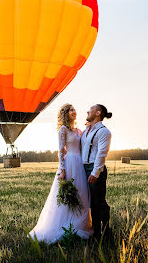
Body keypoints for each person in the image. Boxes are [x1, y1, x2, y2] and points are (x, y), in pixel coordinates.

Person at [29, 104, 93, 243]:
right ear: (65, 113)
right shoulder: (63, 130)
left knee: (81, 193)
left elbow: (84, 144)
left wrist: (88, 127)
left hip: (79, 164)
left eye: (75, 109)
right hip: (69, 163)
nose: (74, 111)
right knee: (67, 194)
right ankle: (63, 225)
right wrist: (62, 170)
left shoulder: (79, 130)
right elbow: (60, 151)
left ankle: (79, 224)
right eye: (71, 110)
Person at [81, 104, 112, 238]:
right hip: (84, 168)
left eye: (91, 109)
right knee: (91, 202)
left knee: (99, 202)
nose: (88, 110)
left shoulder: (104, 132)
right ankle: (96, 231)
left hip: (95, 168)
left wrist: (95, 173)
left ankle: (105, 232)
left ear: (98, 113)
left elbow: (101, 154)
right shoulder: (87, 130)